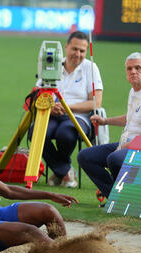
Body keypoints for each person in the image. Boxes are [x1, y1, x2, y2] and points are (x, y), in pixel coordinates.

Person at [77, 52, 141, 199]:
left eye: (138, 68)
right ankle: (115, 196)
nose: (133, 72)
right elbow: (131, 118)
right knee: (85, 156)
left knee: (115, 158)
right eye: (129, 68)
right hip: (128, 143)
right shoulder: (134, 91)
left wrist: (128, 145)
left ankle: (127, 196)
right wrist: (105, 121)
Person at [31, 31, 104, 188]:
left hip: (78, 116)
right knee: (35, 132)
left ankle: (59, 172)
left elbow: (96, 102)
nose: (77, 54)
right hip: (51, 113)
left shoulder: (90, 68)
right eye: (74, 49)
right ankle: (65, 171)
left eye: (82, 51)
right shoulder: (52, 63)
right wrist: (50, 107)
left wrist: (66, 107)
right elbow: (35, 95)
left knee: (65, 134)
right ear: (66, 47)